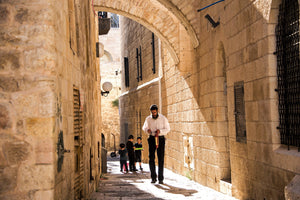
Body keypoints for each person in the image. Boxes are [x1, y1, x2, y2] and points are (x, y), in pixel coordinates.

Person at [142, 104, 170, 184]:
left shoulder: (163, 118)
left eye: (155, 112)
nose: (154, 114)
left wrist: (160, 131)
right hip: (151, 139)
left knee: (161, 158)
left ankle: (161, 178)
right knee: (151, 158)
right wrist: (147, 130)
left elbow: (168, 129)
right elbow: (144, 127)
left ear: (157, 111)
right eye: (152, 112)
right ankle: (153, 177)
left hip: (160, 139)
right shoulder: (148, 119)